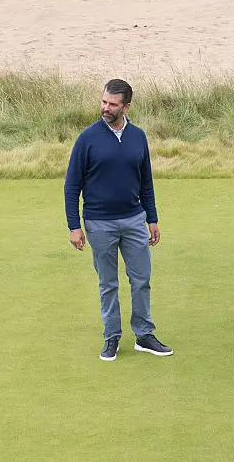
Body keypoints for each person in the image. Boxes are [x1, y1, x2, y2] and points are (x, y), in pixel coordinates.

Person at [64, 78, 172, 362]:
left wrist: (152, 218)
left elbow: (146, 182)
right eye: (104, 102)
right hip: (99, 223)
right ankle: (111, 336)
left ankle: (144, 335)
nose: (106, 108)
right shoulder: (87, 138)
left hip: (134, 219)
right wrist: (74, 226)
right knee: (108, 283)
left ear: (126, 107)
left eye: (112, 104)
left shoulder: (138, 137)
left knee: (141, 279)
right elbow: (72, 185)